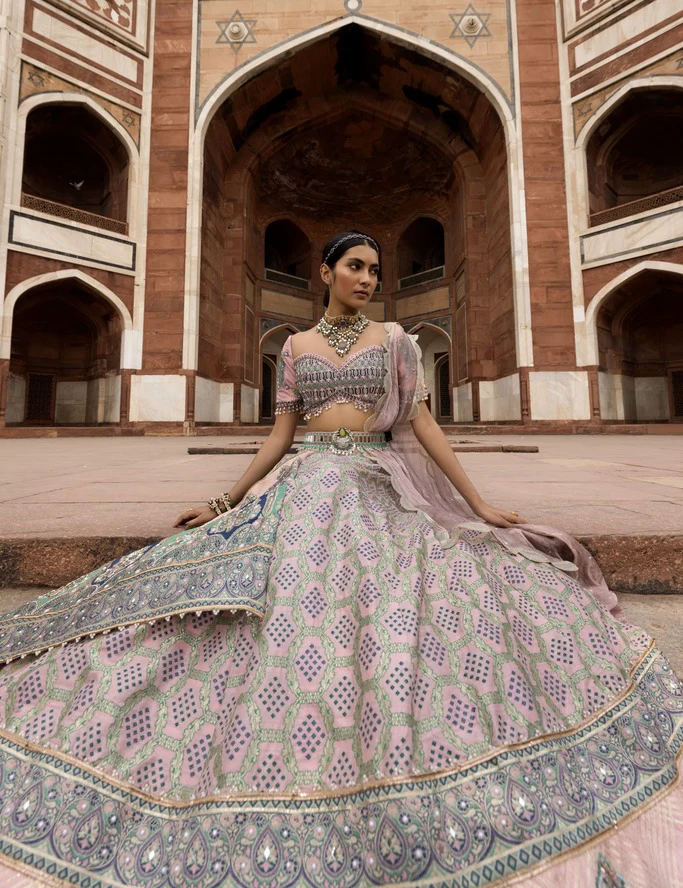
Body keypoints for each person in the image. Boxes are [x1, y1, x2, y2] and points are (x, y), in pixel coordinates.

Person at [0, 231, 679, 888]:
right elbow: (281, 435)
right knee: (278, 592)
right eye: (354, 266)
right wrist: (223, 500)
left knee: (416, 593)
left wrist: (476, 503)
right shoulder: (294, 345)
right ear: (324, 272)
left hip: (378, 484)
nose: (367, 279)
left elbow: (418, 422)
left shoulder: (397, 340)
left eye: (375, 272)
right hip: (307, 482)